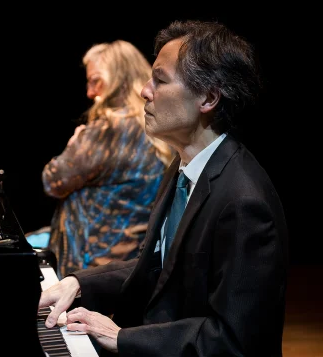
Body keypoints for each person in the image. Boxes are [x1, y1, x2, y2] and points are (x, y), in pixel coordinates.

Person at [38, 20, 289, 357]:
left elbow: (234, 341)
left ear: (208, 97)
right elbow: (159, 266)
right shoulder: (184, 165)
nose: (144, 90)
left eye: (160, 80)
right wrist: (79, 283)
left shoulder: (244, 203)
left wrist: (121, 337)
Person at [40, 40, 174, 279]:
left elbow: (52, 181)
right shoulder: (161, 127)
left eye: (96, 81)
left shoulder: (109, 129)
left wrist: (74, 144)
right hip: (129, 261)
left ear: (119, 78)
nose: (90, 92)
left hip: (89, 265)